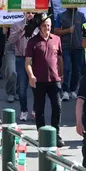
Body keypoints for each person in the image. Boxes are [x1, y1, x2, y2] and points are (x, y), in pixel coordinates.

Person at [24, 14, 65, 147]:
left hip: (54, 80)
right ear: (40, 27)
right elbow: (27, 63)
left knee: (57, 106)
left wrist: (62, 74)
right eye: (44, 25)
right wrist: (31, 76)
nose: (47, 28)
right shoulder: (33, 42)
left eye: (48, 25)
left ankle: (55, 134)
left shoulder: (56, 39)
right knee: (39, 108)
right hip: (39, 81)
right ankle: (42, 134)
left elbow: (60, 59)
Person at [55, 8, 86, 101]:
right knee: (66, 68)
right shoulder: (61, 16)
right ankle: (65, 90)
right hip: (65, 46)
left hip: (78, 47)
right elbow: (56, 31)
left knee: (77, 70)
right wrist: (67, 30)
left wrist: (85, 38)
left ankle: (73, 90)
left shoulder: (81, 16)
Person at [9, 13, 35, 122]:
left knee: (36, 86)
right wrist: (20, 31)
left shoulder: (38, 26)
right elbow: (11, 40)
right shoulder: (16, 25)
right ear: (24, 13)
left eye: (32, 12)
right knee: (22, 87)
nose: (30, 14)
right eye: (28, 12)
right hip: (21, 58)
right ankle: (24, 110)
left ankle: (35, 110)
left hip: (34, 59)